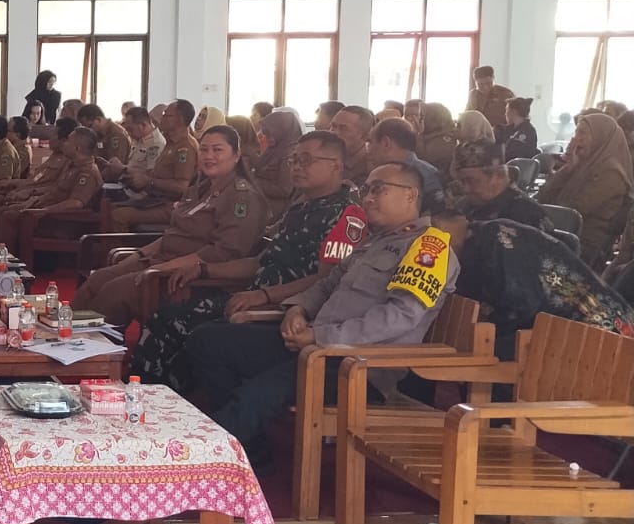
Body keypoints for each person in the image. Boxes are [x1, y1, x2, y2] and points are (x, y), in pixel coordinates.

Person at [183, 162, 459, 463]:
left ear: (410, 195)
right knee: (207, 341)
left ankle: (200, 462)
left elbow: (400, 317)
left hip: (357, 367)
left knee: (259, 392)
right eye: (366, 189)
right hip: (312, 348)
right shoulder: (373, 242)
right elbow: (326, 285)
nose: (368, 198)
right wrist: (297, 309)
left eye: (378, 189)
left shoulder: (428, 249)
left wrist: (321, 336)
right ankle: (251, 451)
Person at [133, 129, 368, 389]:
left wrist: (264, 296)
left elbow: (325, 281)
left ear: (335, 166)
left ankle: (196, 407)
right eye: (294, 160)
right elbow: (261, 261)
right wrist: (204, 270)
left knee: (191, 332)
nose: (297, 167)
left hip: (288, 314)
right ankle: (149, 399)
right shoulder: (302, 206)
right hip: (254, 296)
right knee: (165, 317)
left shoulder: (348, 214)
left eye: (306, 160)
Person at [71, 125, 268, 326]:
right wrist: (138, 255)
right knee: (97, 280)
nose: (209, 156)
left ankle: (91, 342)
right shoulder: (200, 189)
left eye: (217, 150)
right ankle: (65, 336)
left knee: (113, 292)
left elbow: (221, 253)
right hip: (162, 261)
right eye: (203, 149)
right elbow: (173, 234)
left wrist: (163, 268)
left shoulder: (242, 198)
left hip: (187, 278)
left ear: (236, 155)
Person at [438, 213, 634, 356]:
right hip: (575, 331)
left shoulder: (495, 242)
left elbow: (519, 309)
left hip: (602, 341)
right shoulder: (479, 237)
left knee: (483, 352)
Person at [537, 111, 634, 269]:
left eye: (582, 133)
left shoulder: (611, 173)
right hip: (558, 233)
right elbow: (542, 197)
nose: (576, 138)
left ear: (600, 137)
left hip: (581, 245)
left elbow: (570, 211)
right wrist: (567, 169)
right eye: (576, 132)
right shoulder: (583, 164)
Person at [0, 125, 103, 259]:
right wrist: (33, 199)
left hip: (60, 220)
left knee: (10, 216)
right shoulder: (71, 165)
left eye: (68, 141)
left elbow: (76, 203)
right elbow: (55, 191)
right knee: (4, 209)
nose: (64, 143)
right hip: (44, 209)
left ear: (77, 148)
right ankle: (0, 258)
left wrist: (44, 210)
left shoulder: (87, 172)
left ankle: (6, 263)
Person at [0, 117, 76, 239]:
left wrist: (28, 193)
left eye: (54, 134)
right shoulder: (54, 156)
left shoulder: (68, 162)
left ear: (64, 140)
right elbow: (33, 180)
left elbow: (55, 188)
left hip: (35, 200)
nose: (50, 138)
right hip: (21, 191)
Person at [112, 99, 199, 226]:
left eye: (166, 115)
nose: (161, 118)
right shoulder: (171, 143)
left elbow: (182, 187)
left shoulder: (185, 148)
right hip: (155, 199)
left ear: (180, 120)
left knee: (118, 216)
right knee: (110, 207)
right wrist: (139, 179)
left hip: (171, 205)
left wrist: (149, 181)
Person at [449, 140, 548, 228]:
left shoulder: (528, 214)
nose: (466, 189)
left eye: (471, 181)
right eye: (462, 181)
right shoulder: (466, 205)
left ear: (498, 176)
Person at [368, 117, 446, 212]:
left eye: (370, 142)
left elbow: (435, 214)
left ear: (385, 143)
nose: (368, 150)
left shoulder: (427, 175)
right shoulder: (378, 171)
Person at [251, 106, 303, 212]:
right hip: (263, 203)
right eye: (266, 135)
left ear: (282, 132)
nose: (268, 139)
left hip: (276, 209)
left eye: (271, 135)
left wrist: (253, 181)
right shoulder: (275, 148)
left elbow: (284, 189)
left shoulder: (290, 153)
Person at [118, 106, 164, 193]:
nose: (128, 133)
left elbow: (150, 175)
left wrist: (123, 169)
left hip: (141, 194)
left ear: (143, 125)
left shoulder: (156, 144)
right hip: (128, 188)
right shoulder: (138, 139)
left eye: (130, 129)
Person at [329, 104, 376, 188]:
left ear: (365, 136)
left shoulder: (373, 167)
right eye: (333, 126)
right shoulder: (323, 159)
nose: (334, 132)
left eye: (344, 128)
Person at [77, 104, 131, 174]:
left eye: (90, 125)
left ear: (98, 119)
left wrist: (97, 178)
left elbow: (114, 167)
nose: (89, 130)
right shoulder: (98, 133)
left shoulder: (116, 134)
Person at [417, 102, 459, 179]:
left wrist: (419, 134)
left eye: (422, 117)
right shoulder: (431, 135)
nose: (419, 120)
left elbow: (424, 159)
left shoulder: (446, 139)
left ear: (434, 118)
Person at [467, 66, 515, 131]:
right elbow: (468, 115)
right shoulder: (473, 95)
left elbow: (516, 117)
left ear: (493, 78)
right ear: (475, 82)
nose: (485, 87)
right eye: (480, 85)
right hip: (479, 133)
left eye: (488, 83)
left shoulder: (505, 94)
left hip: (500, 133)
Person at [497, 96, 538, 161]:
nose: (505, 114)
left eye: (507, 110)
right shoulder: (510, 129)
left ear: (514, 112)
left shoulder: (528, 132)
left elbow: (514, 155)